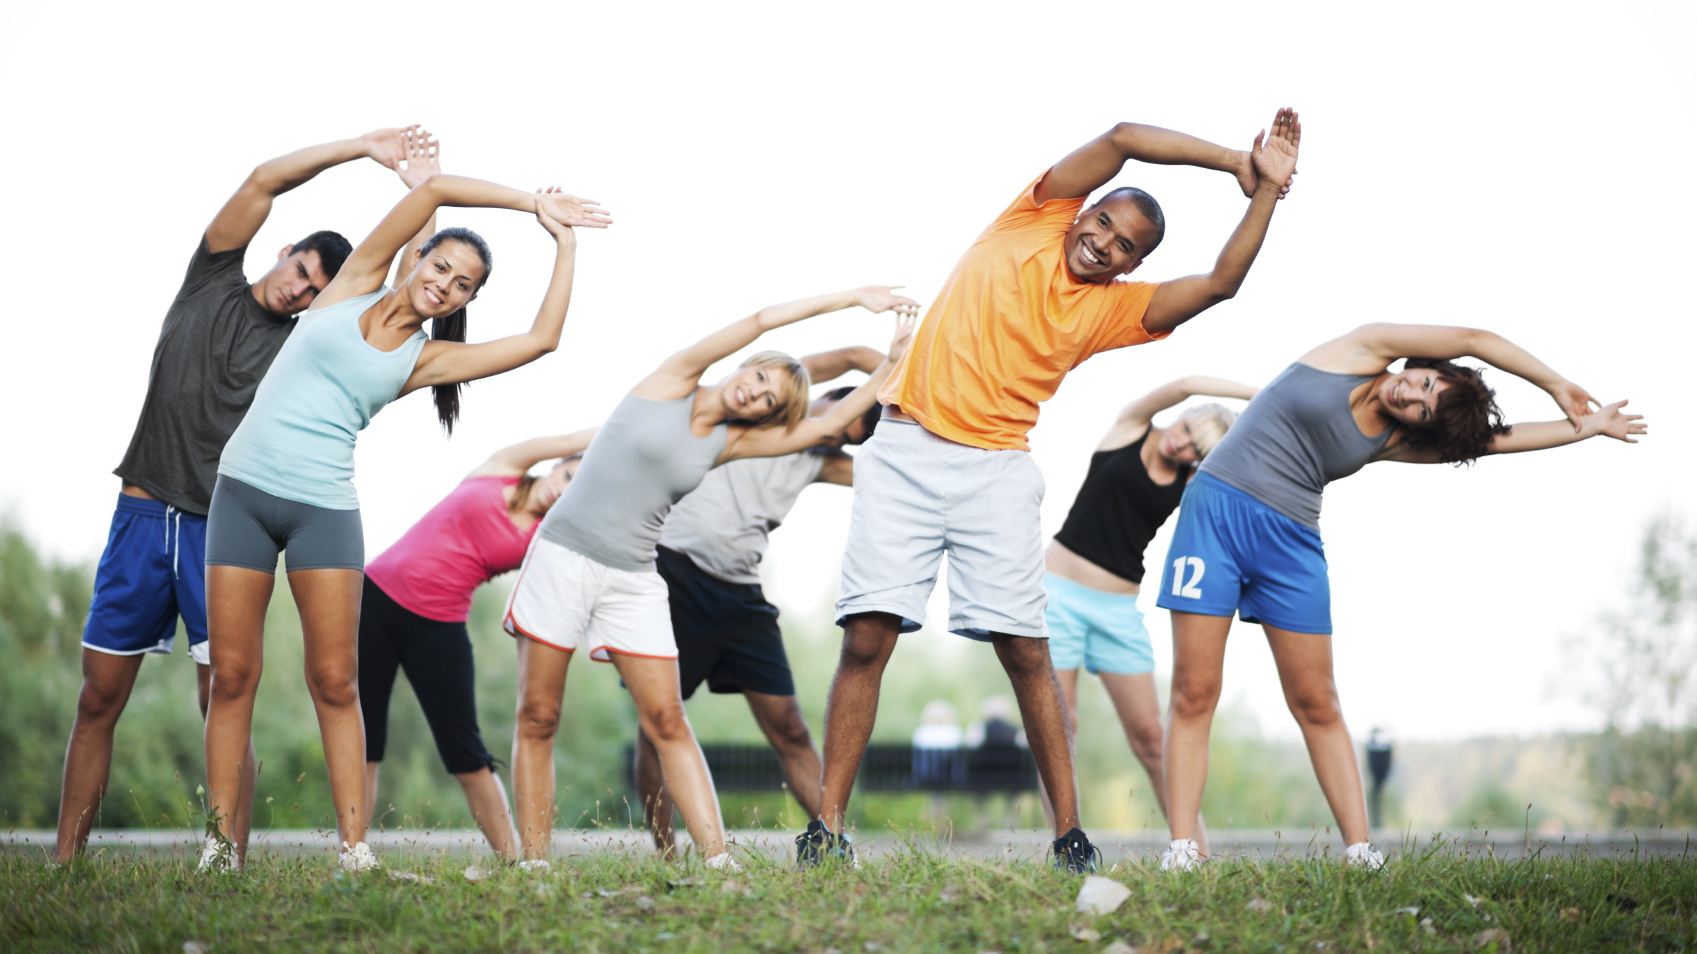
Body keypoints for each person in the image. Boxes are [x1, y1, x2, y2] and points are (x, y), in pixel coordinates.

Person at [808, 109, 1302, 873]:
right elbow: (1124, 137)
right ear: (1084, 210)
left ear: (1131, 265)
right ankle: (825, 830)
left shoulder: (1113, 309)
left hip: (996, 470)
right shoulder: (1033, 217)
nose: (1102, 242)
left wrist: (1264, 192)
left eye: (1123, 246)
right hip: (903, 448)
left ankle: (1069, 837)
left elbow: (1219, 284)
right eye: (1102, 222)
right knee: (867, 636)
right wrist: (1235, 159)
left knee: (1025, 650)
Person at [199, 145, 613, 872]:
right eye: (440, 267)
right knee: (233, 677)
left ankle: (354, 850)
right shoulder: (353, 280)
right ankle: (218, 846)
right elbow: (438, 188)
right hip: (242, 493)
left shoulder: (425, 360)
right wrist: (531, 202)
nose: (444, 285)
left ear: (464, 302)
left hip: (323, 508)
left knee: (336, 681)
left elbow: (543, 340)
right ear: (417, 257)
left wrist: (564, 241)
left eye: (462, 285)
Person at [55, 126, 430, 865]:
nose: (301, 288)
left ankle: (228, 856)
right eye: (301, 269)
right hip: (140, 514)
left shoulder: (307, 343)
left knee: (223, 693)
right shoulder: (211, 278)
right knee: (97, 696)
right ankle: (66, 861)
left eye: (317, 289)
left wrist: (422, 194)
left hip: (220, 526)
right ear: (285, 251)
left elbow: (400, 289)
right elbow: (263, 179)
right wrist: (361, 147)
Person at [1154, 323, 1646, 871]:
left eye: (1424, 410)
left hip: (1291, 544)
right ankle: (1182, 850)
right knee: (1194, 690)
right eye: (1425, 384)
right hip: (1215, 516)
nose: (1411, 396)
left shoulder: (1397, 438)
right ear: (1426, 366)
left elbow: (1495, 442)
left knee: (1317, 700)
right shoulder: (1363, 350)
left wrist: (1586, 428)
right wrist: (1555, 383)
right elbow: (1475, 339)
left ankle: (1360, 853)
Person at [503, 288, 917, 870]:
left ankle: (720, 863)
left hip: (637, 576)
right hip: (569, 557)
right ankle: (535, 864)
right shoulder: (676, 377)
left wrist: (892, 366)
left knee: (668, 719)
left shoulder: (736, 441)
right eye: (759, 378)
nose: (755, 392)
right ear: (747, 365)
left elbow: (832, 422)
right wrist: (854, 298)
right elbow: (762, 319)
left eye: (768, 398)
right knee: (540, 715)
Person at [635, 347, 887, 856]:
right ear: (827, 399)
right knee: (657, 722)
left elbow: (892, 473)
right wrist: (902, 375)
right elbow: (853, 355)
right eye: (838, 422)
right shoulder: (761, 407)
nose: (833, 435)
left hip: (741, 596)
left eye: (845, 438)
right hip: (677, 574)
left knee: (790, 726)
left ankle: (833, 847)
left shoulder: (819, 458)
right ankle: (666, 854)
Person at [1043, 377, 1259, 851]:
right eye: (1185, 429)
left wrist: (1249, 422)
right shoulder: (1131, 427)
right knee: (1060, 724)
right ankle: (1066, 847)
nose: (1180, 443)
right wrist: (1259, 393)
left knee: (1150, 735)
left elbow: (1247, 464)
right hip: (1057, 596)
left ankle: (1195, 851)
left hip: (1119, 612)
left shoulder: (1189, 481)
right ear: (1181, 417)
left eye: (1194, 448)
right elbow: (1185, 384)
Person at [360, 429, 596, 861]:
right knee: (364, 739)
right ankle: (353, 851)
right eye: (568, 477)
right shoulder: (502, 467)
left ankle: (513, 861)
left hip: (439, 625)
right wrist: (630, 428)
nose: (561, 491)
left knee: (465, 750)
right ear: (559, 466)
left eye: (574, 495)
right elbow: (573, 438)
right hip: (371, 600)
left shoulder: (546, 538)